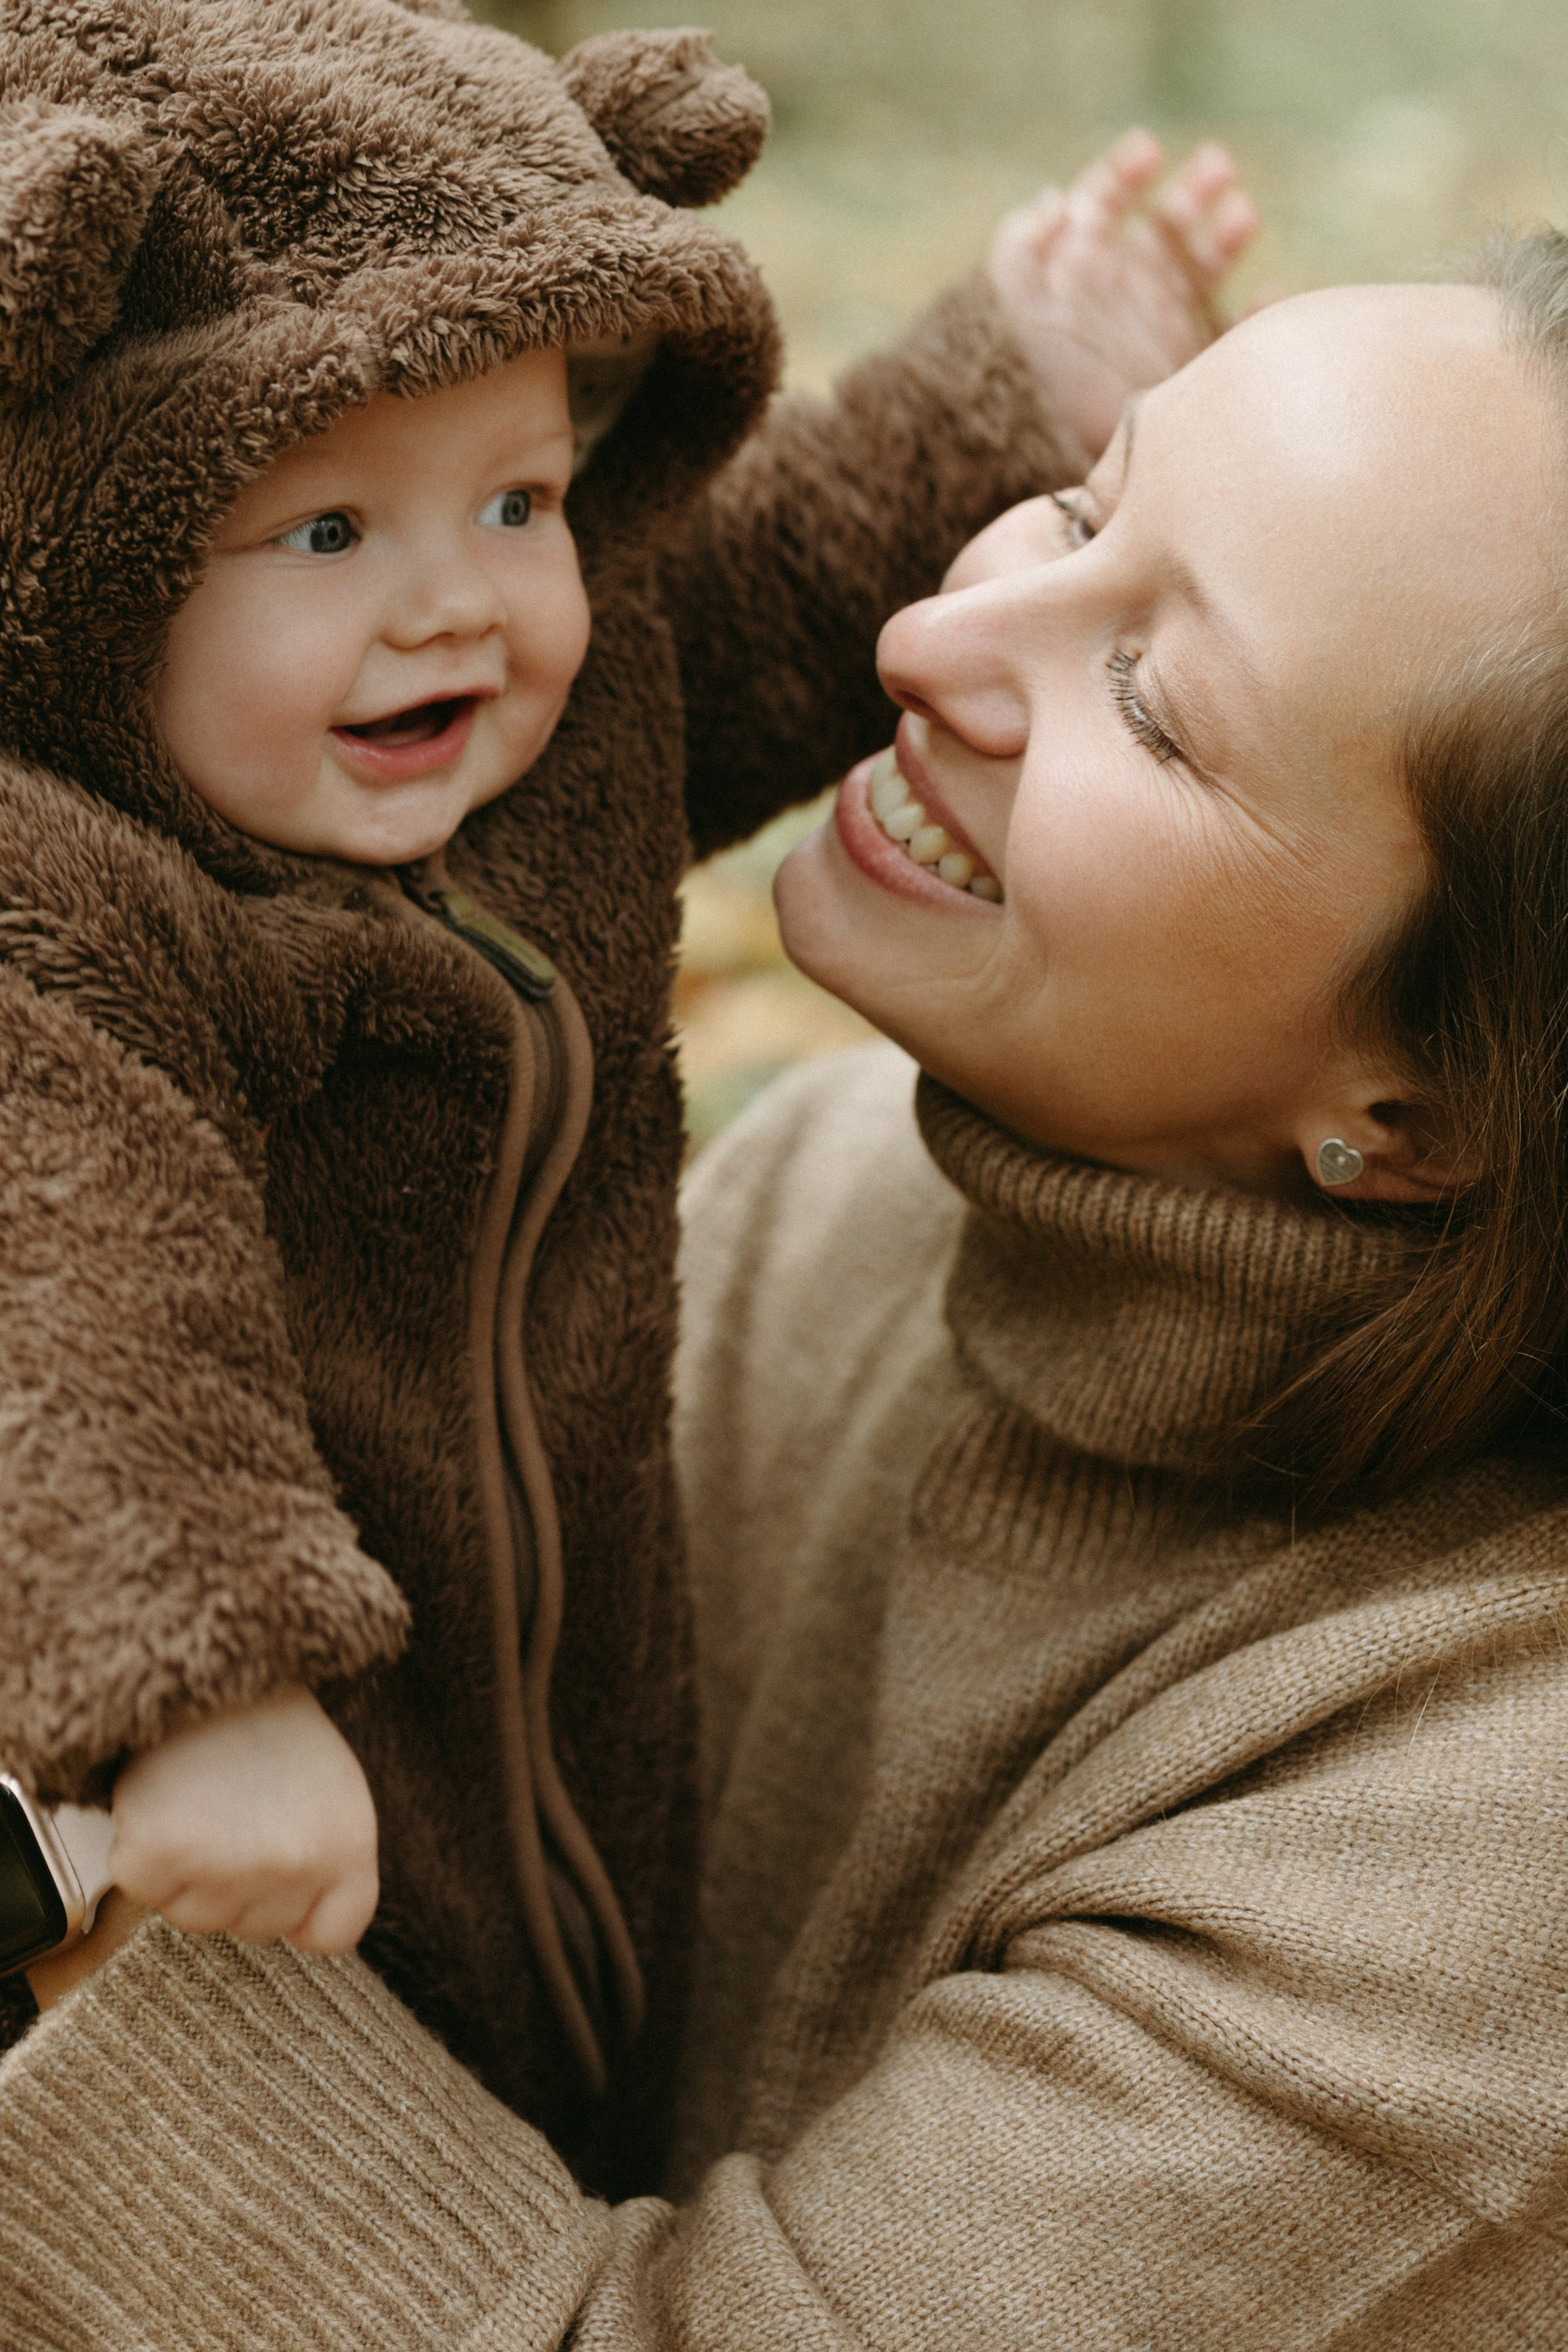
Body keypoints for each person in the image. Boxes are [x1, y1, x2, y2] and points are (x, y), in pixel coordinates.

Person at [9, 183, 1568, 2351]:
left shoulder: (1494, 1876)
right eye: (1074, 498)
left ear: (1429, 1111)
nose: (931, 641)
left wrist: (58, 1901)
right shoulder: (834, 1192)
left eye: (1151, 698)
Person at [0, 0, 1257, 2198]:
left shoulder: (520, 743)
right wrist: (197, 1678)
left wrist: (1015, 395)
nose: (461, 605)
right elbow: (63, 1256)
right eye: (323, 535)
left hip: (562, 1808)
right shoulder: (58, 907)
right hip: (240, 1841)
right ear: (72, 543)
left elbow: (763, 595)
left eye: (521, 497)